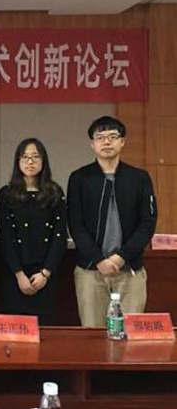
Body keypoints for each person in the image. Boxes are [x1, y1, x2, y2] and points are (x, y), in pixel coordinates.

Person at [68, 116, 157, 327]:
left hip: (130, 271)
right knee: (93, 334)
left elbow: (148, 223)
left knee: (129, 335)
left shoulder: (139, 178)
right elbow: (75, 224)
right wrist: (99, 259)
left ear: (122, 141)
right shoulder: (79, 178)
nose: (106, 142)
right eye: (100, 137)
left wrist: (121, 257)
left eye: (112, 136)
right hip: (91, 271)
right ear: (92, 144)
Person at [0, 138, 67, 325]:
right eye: (25, 157)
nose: (30, 162)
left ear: (43, 161)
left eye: (35, 157)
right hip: (15, 275)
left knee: (45, 329)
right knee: (15, 330)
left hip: (45, 275)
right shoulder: (7, 193)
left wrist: (45, 273)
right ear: (17, 161)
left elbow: (59, 236)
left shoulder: (55, 193)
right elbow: (5, 238)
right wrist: (19, 275)